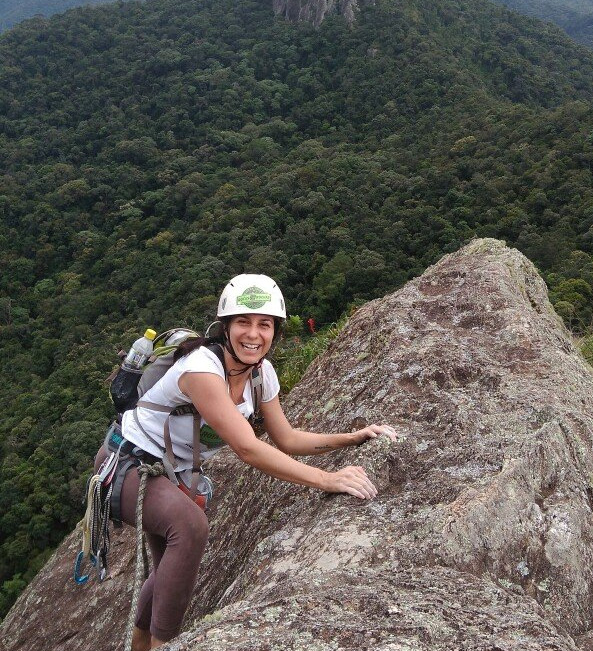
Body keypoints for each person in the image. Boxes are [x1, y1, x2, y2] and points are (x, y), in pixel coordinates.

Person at [94, 273, 396, 651]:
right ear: (225, 327)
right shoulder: (202, 370)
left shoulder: (261, 375)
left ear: (275, 332)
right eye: (243, 322)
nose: (253, 334)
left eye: (264, 325)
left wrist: (353, 437)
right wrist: (327, 479)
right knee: (189, 528)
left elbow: (287, 439)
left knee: (167, 571)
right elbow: (248, 448)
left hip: (169, 474)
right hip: (127, 463)